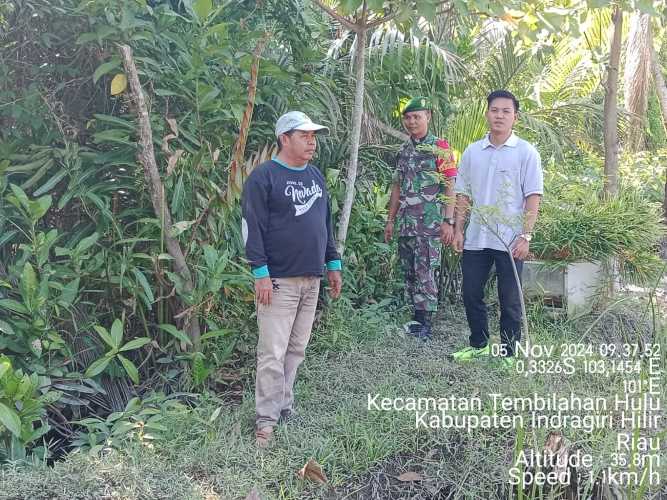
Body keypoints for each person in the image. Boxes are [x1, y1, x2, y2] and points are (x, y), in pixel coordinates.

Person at [241, 111, 343, 447]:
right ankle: (265, 422)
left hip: (311, 279)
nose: (312, 141)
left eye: (314, 135)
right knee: (272, 351)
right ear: (285, 138)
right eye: (304, 135)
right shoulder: (263, 178)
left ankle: (284, 406)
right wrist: (260, 273)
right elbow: (251, 228)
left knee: (296, 349)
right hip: (278, 281)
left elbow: (324, 223)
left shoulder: (315, 176)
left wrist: (333, 263)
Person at [451, 90, 543, 366]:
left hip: (510, 240)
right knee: (470, 292)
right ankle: (478, 344)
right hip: (477, 237)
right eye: (494, 110)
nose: (499, 115)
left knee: (510, 298)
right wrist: (458, 229)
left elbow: (533, 197)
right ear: (487, 113)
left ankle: (509, 353)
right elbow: (462, 194)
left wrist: (525, 235)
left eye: (505, 111)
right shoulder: (472, 152)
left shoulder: (526, 153)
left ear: (515, 116)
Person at [384, 96, 457, 338]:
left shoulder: (441, 147)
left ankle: (424, 323)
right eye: (408, 117)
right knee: (410, 271)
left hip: (430, 224)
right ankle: (415, 317)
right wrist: (391, 220)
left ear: (428, 117)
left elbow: (449, 185)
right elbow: (397, 187)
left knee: (426, 271)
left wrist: (448, 221)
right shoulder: (404, 150)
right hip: (406, 223)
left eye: (417, 116)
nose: (412, 121)